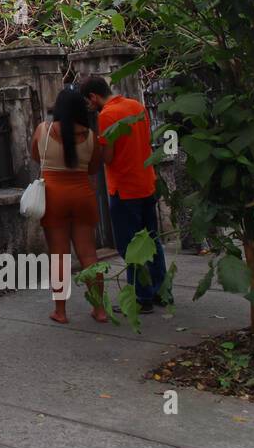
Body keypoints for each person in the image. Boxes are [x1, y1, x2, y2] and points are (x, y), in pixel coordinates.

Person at [79, 75, 168, 312]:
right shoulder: (136, 105)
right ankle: (161, 290)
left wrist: (95, 150)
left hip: (124, 188)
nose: (89, 107)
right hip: (146, 182)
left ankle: (141, 297)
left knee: (130, 246)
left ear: (93, 97)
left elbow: (108, 157)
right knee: (151, 240)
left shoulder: (106, 115)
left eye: (88, 102)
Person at [29, 88, 107, 325]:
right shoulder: (91, 136)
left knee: (59, 256)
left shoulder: (43, 130)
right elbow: (94, 168)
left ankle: (61, 311)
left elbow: (35, 156)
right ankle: (100, 309)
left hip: (54, 197)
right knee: (89, 255)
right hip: (83, 196)